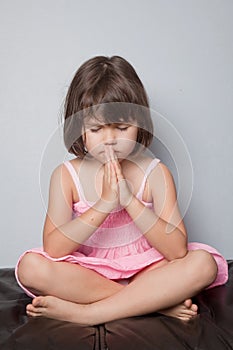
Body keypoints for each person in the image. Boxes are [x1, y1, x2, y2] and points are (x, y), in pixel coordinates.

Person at [16, 56, 228, 325]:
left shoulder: (155, 173)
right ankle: (153, 303)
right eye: (96, 129)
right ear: (78, 129)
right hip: (88, 274)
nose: (110, 140)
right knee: (31, 268)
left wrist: (129, 200)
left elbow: (177, 251)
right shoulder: (65, 176)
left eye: (122, 127)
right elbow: (55, 248)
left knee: (203, 264)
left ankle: (90, 312)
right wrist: (105, 203)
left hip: (147, 270)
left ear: (139, 124)